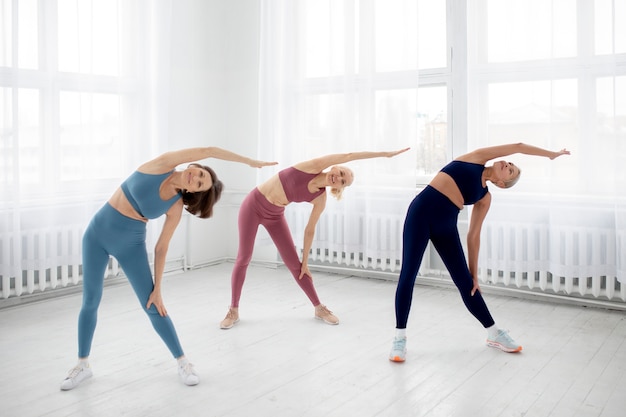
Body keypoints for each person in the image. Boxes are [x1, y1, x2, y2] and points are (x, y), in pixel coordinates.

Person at [60, 147, 277, 390]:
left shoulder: (175, 205)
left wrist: (159, 288)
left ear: (191, 192)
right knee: (90, 301)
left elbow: (161, 247)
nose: (195, 179)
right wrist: (248, 160)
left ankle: (183, 362)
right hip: (96, 234)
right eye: (200, 175)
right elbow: (210, 150)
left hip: (131, 245)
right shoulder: (163, 165)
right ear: (196, 167)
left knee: (153, 304)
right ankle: (82, 365)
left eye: (199, 185)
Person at [389, 143, 570, 362]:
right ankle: (399, 339)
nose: (507, 163)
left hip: (445, 225)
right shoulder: (476, 158)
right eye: (510, 164)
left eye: (510, 170)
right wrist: (550, 154)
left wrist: (473, 274)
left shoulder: (484, 198)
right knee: (408, 275)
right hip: (420, 214)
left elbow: (473, 236)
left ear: (501, 183)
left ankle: (494, 333)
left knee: (467, 284)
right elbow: (519, 146)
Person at [220, 148, 410, 329]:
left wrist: (306, 261)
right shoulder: (313, 166)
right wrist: (384, 154)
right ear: (335, 166)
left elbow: (310, 230)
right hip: (253, 205)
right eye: (341, 172)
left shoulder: (320, 198)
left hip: (275, 215)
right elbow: (350, 155)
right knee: (244, 257)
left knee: (297, 265)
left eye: (343, 181)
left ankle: (319, 308)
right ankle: (233, 311)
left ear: (340, 187)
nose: (338, 177)